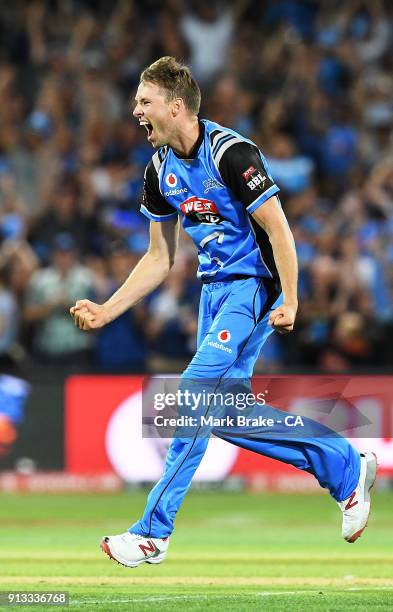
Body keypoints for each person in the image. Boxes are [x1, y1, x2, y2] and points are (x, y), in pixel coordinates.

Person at [70, 57, 376, 568]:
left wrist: (292, 298)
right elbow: (159, 257)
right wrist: (106, 310)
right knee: (224, 416)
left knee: (191, 395)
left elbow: (279, 230)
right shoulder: (158, 170)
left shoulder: (231, 153)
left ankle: (152, 533)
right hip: (214, 297)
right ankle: (345, 465)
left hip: (251, 290)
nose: (135, 111)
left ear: (176, 106)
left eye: (144, 102)